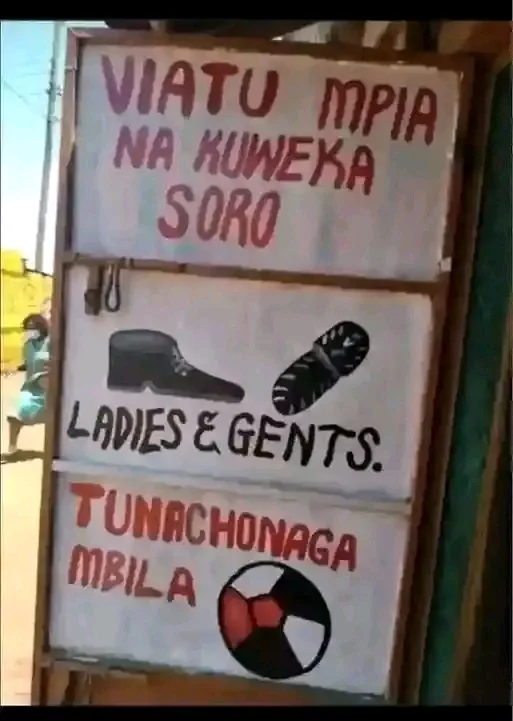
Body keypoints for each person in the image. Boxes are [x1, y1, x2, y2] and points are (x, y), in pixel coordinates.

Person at [5, 313, 50, 457]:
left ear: (41, 327)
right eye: (28, 328)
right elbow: (28, 363)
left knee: (53, 419)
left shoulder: (51, 342)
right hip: (31, 389)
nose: (30, 331)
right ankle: (12, 447)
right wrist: (14, 368)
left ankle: (52, 451)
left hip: (49, 389)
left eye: (33, 327)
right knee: (15, 413)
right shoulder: (27, 345)